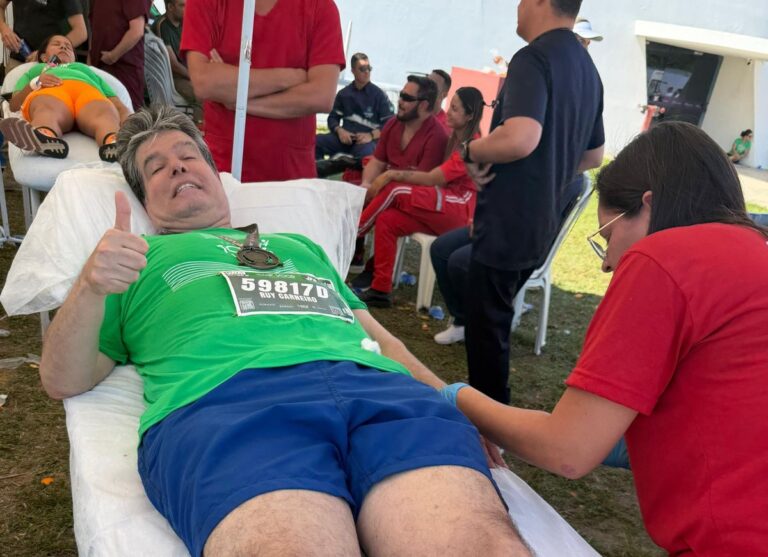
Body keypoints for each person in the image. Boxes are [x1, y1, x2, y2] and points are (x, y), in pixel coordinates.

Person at [38, 104, 530, 557]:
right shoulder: (129, 261)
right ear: (146, 199)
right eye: (157, 166)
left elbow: (383, 340)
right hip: (230, 406)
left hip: (382, 395)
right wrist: (90, 284)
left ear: (214, 173)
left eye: (188, 156)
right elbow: (63, 380)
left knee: (476, 543)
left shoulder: (298, 246)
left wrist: (448, 399)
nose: (178, 167)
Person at [431, 121, 768, 555]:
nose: (608, 263)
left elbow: (567, 450)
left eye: (607, 235)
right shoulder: (752, 252)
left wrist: (457, 398)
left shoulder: (664, 259)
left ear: (647, 205)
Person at [456, 0, 604, 404]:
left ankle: (490, 428)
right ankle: (492, 420)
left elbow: (521, 137)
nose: (517, 7)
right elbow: (593, 156)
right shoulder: (588, 70)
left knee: (487, 329)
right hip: (540, 221)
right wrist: (550, 166)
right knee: (494, 322)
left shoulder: (532, 57)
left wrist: (471, 149)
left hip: (509, 218)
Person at [182, 0, 345, 183]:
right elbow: (204, 82)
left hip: (291, 179)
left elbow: (320, 97)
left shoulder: (319, 7)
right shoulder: (207, 3)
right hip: (222, 174)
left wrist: (237, 100)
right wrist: (290, 77)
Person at [353, 87, 484, 308]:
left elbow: (434, 178)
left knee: (395, 188)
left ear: (470, 116)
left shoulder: (470, 145)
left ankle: (350, 234)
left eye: (454, 108)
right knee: (388, 220)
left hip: (459, 210)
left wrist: (391, 174)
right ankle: (380, 289)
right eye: (448, 106)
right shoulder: (449, 137)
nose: (448, 112)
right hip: (446, 204)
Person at [352, 75, 449, 304]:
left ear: (424, 105)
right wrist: (367, 184)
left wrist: (384, 181)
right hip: (390, 197)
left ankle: (351, 236)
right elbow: (377, 161)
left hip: (418, 203)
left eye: (406, 97)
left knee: (391, 192)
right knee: (383, 216)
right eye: (401, 95)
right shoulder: (394, 124)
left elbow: (422, 182)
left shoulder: (436, 135)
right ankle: (380, 287)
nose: (400, 101)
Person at [0, 34, 130, 162]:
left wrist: (131, 123)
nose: (63, 47)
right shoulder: (36, 70)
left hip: (88, 94)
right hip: (52, 93)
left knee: (105, 113)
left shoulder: (87, 70)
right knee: (47, 109)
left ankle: (113, 141)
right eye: (56, 44)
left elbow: (116, 103)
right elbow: (14, 104)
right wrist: (35, 82)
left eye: (68, 47)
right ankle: (45, 135)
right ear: (43, 57)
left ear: (74, 57)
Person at [314, 52, 393, 177]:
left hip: (366, 142)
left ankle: (359, 188)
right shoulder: (344, 94)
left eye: (369, 68)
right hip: (345, 139)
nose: (367, 72)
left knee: (367, 156)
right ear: (353, 71)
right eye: (362, 69)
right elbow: (333, 118)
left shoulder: (379, 95)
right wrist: (340, 131)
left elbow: (390, 124)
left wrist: (371, 135)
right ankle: (318, 177)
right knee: (315, 141)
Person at [89, 0, 148, 110]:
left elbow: (137, 31)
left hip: (124, 66)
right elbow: (95, 28)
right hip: (98, 66)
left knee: (128, 115)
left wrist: (113, 55)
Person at [0, 0, 87, 72]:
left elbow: (80, 32)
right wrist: (4, 28)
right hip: (17, 60)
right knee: (14, 91)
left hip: (48, 65)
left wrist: (43, 52)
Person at [154, 0, 201, 122]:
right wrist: (194, 76)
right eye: (182, 5)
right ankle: (199, 130)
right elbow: (173, 65)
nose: (187, 9)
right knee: (202, 94)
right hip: (174, 78)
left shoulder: (183, 24)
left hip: (186, 73)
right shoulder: (162, 25)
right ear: (170, 7)